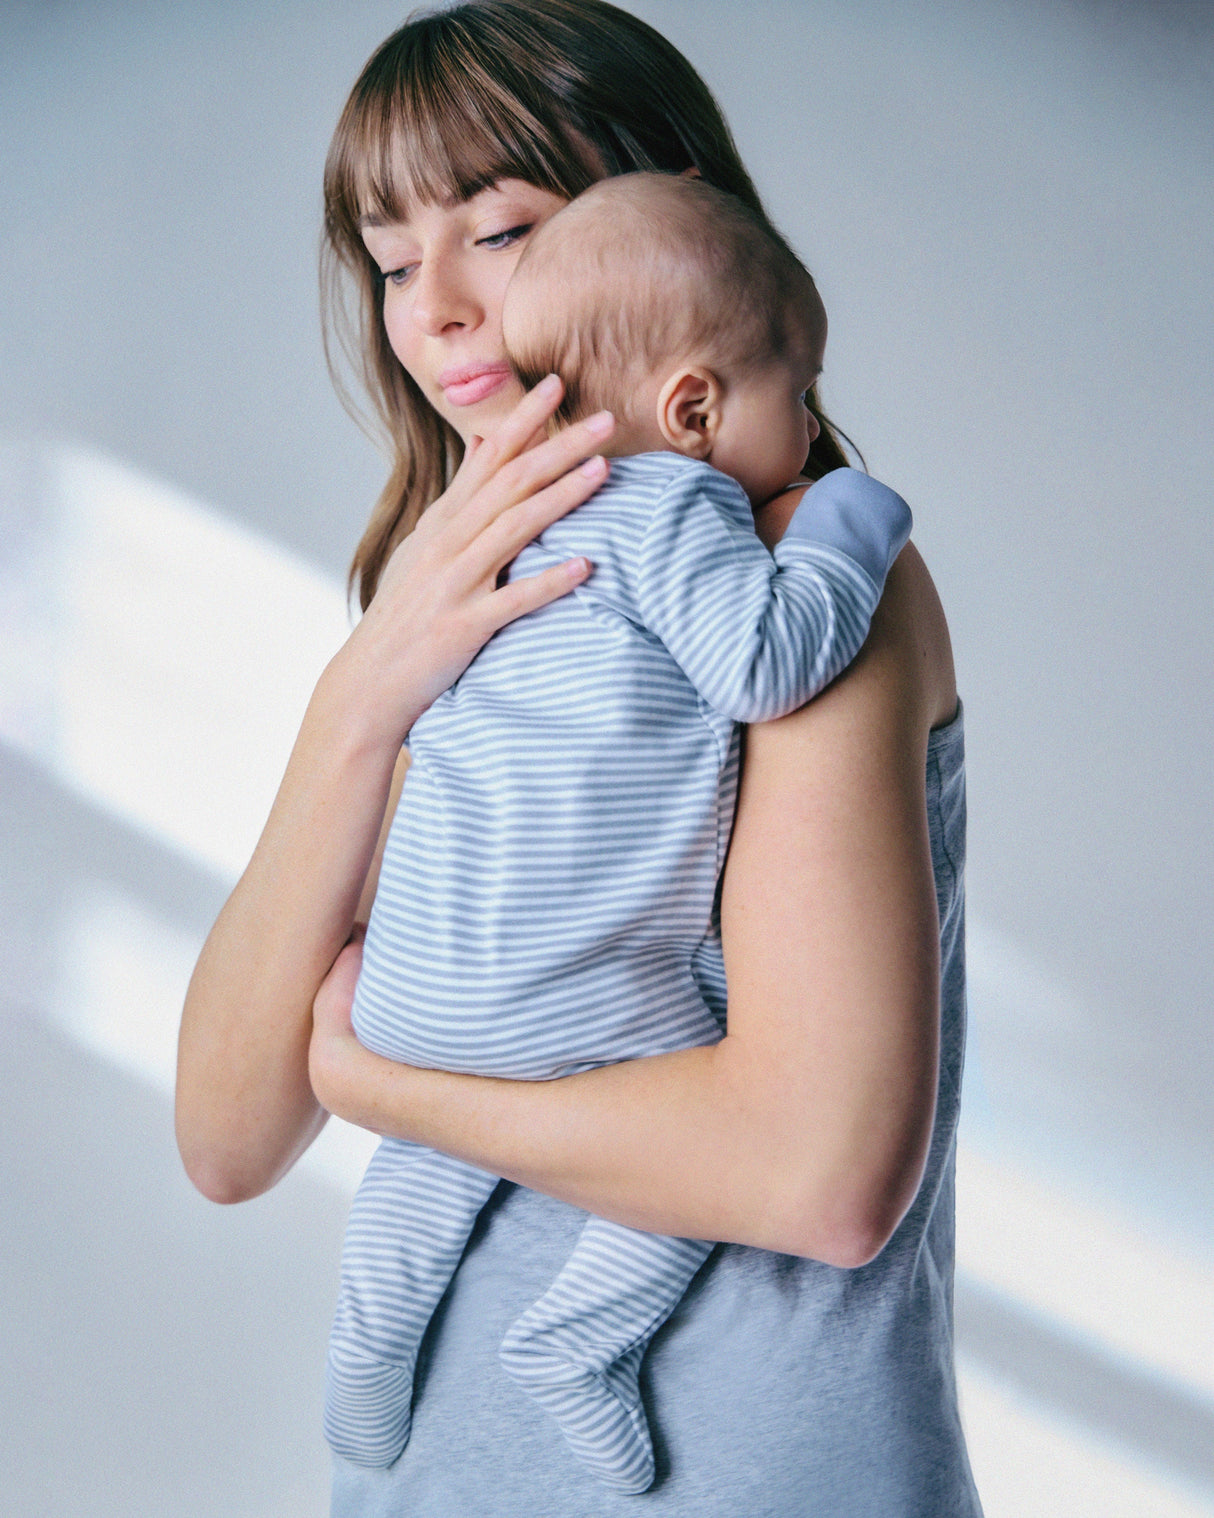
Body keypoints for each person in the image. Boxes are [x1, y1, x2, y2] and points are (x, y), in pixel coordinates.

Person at [175, 2, 981, 1513]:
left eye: (500, 230)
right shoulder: (463, 609)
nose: (435, 308)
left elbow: (819, 1176)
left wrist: (383, 1086)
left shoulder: (803, 576)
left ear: (664, 217)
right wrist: (360, 699)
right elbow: (226, 1141)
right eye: (391, 261)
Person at [326, 169, 912, 1494]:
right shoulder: (677, 502)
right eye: (797, 393)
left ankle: (368, 1339)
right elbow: (763, 663)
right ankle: (581, 1340)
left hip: (412, 989)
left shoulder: (477, 550)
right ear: (693, 408)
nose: (808, 420)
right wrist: (850, 522)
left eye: (495, 236)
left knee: (426, 1159)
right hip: (575, 995)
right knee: (692, 1088)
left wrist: (368, 1076)